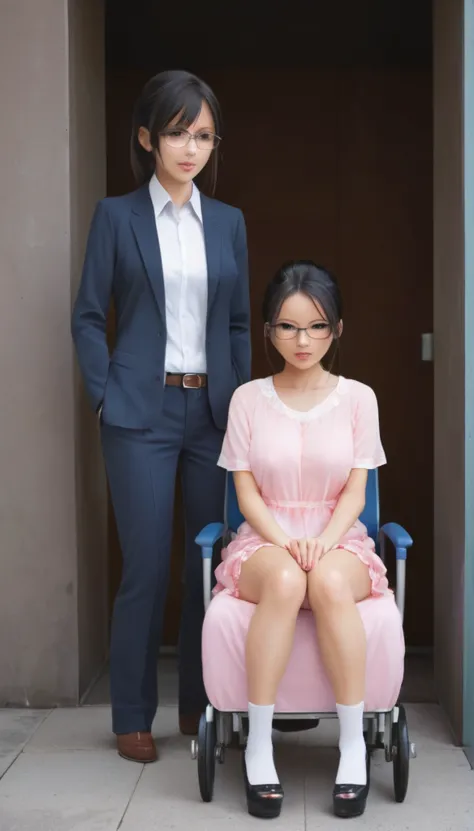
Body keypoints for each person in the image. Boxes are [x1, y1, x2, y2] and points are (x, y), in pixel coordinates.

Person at [71, 70, 251, 763]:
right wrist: (105, 394)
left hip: (212, 413)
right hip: (138, 413)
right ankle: (132, 713)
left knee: (210, 563)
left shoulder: (229, 222)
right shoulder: (116, 217)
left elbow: (236, 324)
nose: (190, 147)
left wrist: (239, 404)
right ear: (147, 137)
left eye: (203, 134)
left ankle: (201, 705)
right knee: (146, 564)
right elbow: (89, 316)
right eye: (177, 131)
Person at [214, 260, 388, 819]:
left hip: (341, 537)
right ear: (269, 331)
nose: (302, 339)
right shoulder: (247, 399)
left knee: (332, 581)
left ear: (337, 329)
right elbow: (247, 497)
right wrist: (289, 542)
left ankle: (353, 746)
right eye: (287, 326)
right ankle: (260, 745)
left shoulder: (360, 398)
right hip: (266, 539)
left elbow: (356, 495)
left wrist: (325, 540)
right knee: (287, 580)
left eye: (316, 326)